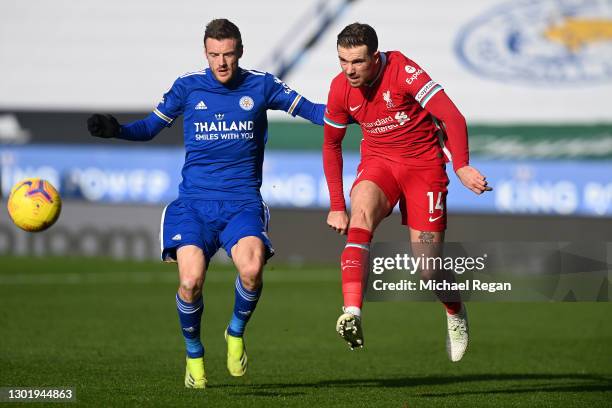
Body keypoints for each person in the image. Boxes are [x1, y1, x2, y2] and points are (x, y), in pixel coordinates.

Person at [87, 18, 325, 388]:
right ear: (206, 53)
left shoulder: (261, 85)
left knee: (251, 270)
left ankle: (234, 333)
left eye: (228, 54)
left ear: (240, 52)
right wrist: (116, 129)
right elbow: (150, 127)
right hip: (194, 205)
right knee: (191, 280)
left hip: (241, 203)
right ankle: (194, 354)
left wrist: (362, 115)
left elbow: (312, 111)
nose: (222, 63)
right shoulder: (187, 87)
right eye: (215, 55)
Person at [322, 23, 491, 361]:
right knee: (361, 215)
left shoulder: (402, 70)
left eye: (357, 62)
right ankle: (352, 312)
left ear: (375, 55)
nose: (349, 70)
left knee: (428, 266)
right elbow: (331, 145)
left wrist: (460, 165)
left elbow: (452, 117)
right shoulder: (340, 88)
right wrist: (336, 205)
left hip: (424, 169)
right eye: (343, 61)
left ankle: (455, 312)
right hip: (379, 164)